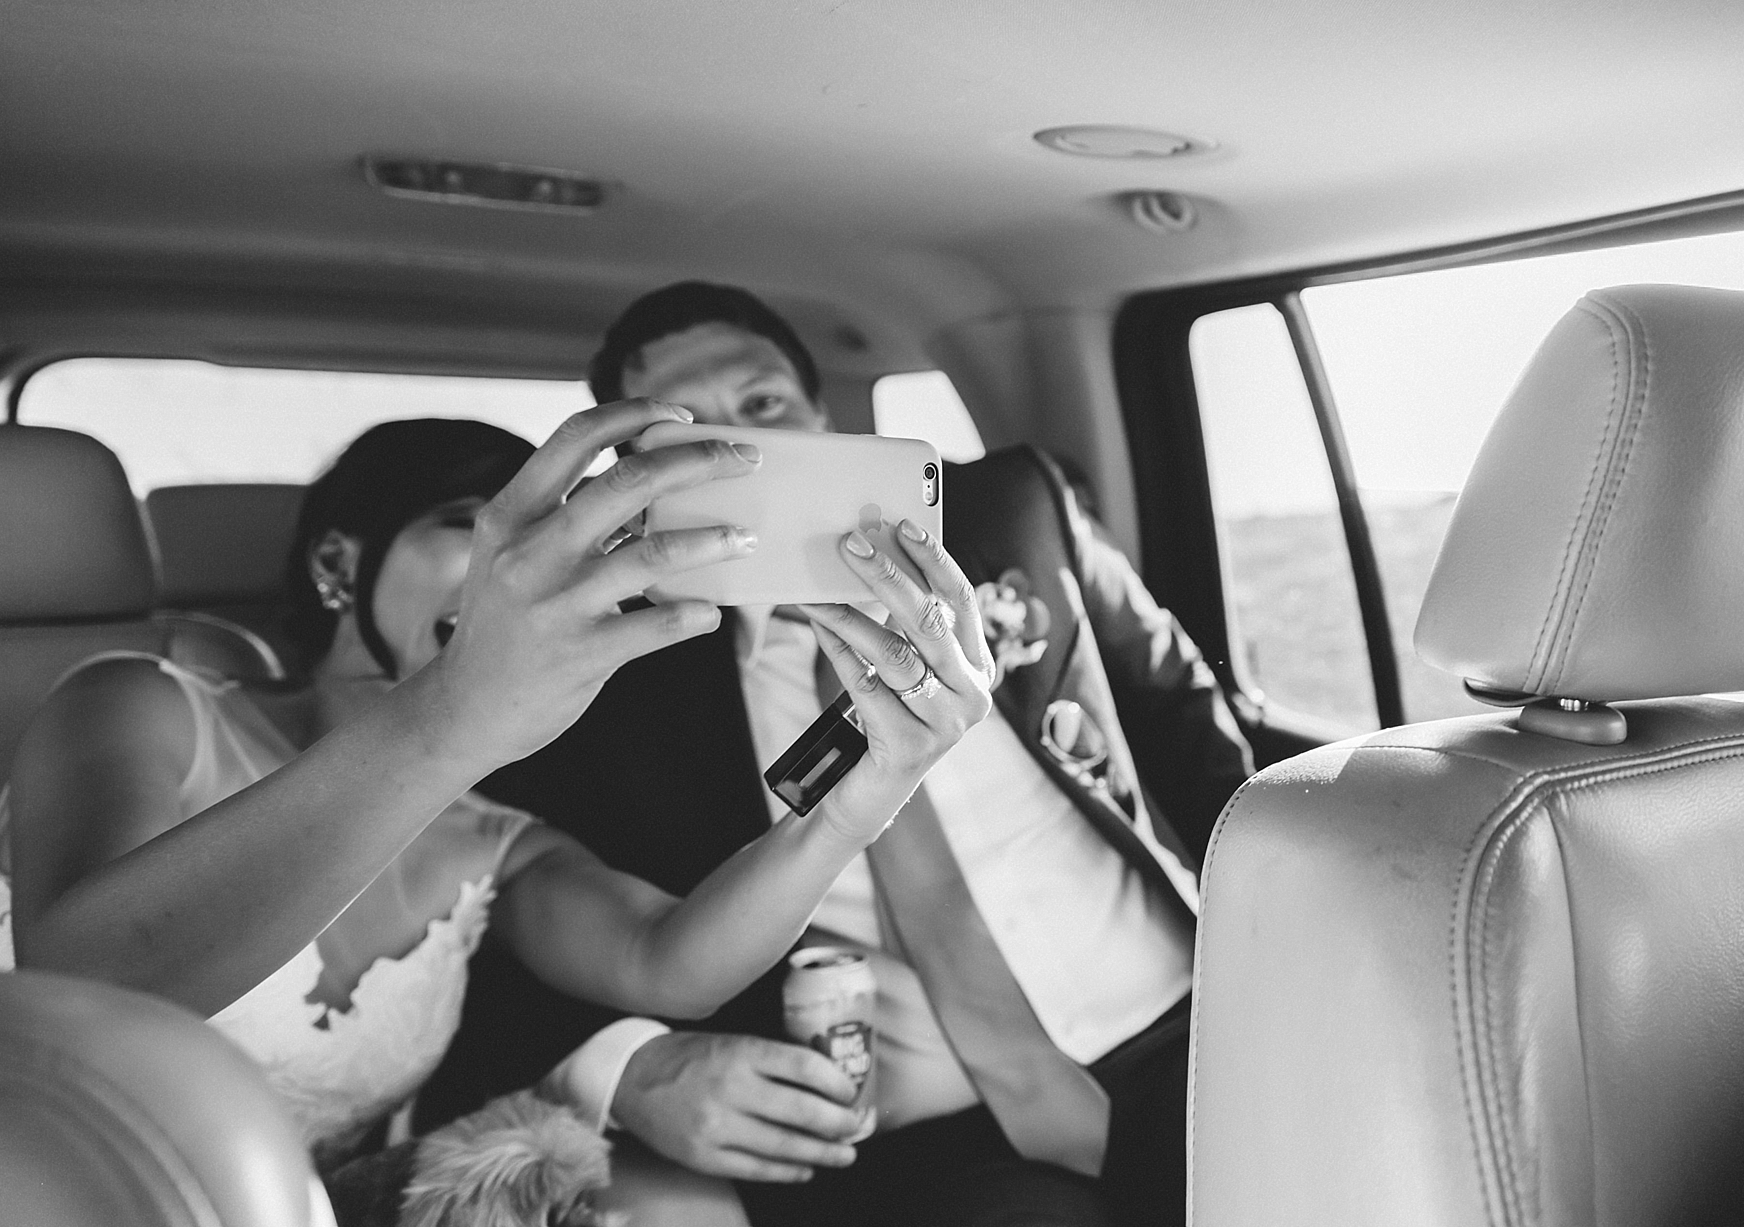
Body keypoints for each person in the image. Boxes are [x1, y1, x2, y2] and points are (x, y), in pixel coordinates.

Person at [0, 409, 993, 1220]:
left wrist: (862, 800)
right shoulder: (141, 704)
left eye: (552, 536)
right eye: (473, 522)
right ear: (338, 563)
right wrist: (456, 713)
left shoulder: (489, 836)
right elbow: (88, 991)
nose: (518, 567)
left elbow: (669, 959)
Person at [424, 283, 1259, 1227]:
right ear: (637, 476)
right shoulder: (612, 680)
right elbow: (507, 915)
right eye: (685, 433)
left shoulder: (1014, 506)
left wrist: (1266, 915)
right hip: (921, 1133)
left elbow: (1178, 707)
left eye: (765, 405)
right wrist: (632, 1068)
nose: (739, 450)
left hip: (1195, 1020)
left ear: (824, 419)